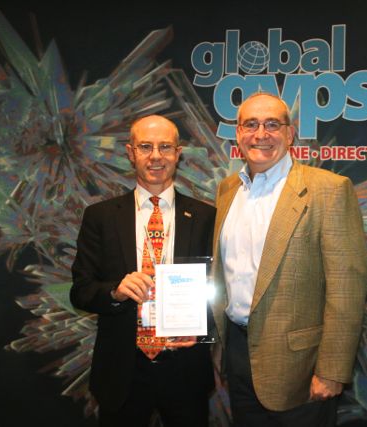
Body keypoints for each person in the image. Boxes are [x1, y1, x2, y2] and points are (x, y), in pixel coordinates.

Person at [212, 92, 367, 426]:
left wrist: (332, 370)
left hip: (300, 368)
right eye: (251, 124)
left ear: (290, 134)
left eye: (272, 124)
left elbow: (347, 289)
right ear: (238, 134)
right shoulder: (227, 190)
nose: (261, 134)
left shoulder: (329, 190)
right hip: (238, 357)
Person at [70, 115, 215, 427]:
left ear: (178, 153)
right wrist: (114, 292)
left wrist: (201, 329)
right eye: (146, 147)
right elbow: (80, 291)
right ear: (130, 152)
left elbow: (220, 290)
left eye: (165, 147)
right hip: (123, 369)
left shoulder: (206, 217)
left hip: (185, 369)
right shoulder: (100, 217)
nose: (156, 156)